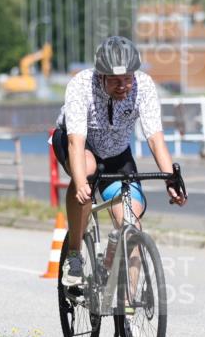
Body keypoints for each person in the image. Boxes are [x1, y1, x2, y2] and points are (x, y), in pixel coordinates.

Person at [52, 36, 187, 288]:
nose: (123, 86)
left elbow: (156, 138)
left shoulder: (144, 86)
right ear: (100, 75)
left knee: (130, 223)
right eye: (115, 80)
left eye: (128, 78)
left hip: (117, 153)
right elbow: (75, 142)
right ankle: (74, 256)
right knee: (88, 170)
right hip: (79, 145)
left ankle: (128, 310)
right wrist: (81, 182)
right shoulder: (81, 85)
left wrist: (171, 178)